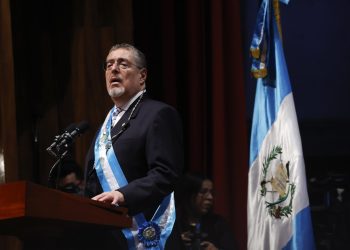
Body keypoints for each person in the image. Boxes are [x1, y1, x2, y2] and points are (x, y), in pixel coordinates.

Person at [84, 43, 184, 249]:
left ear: (142, 76)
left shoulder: (158, 114)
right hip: (108, 238)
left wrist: (122, 195)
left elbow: (166, 174)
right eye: (109, 64)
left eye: (123, 64)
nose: (114, 69)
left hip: (146, 232)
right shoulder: (104, 126)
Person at [176, 173, 237, 250]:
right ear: (189, 194)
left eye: (211, 192)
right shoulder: (173, 223)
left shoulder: (218, 224)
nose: (210, 197)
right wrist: (176, 242)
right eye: (203, 192)